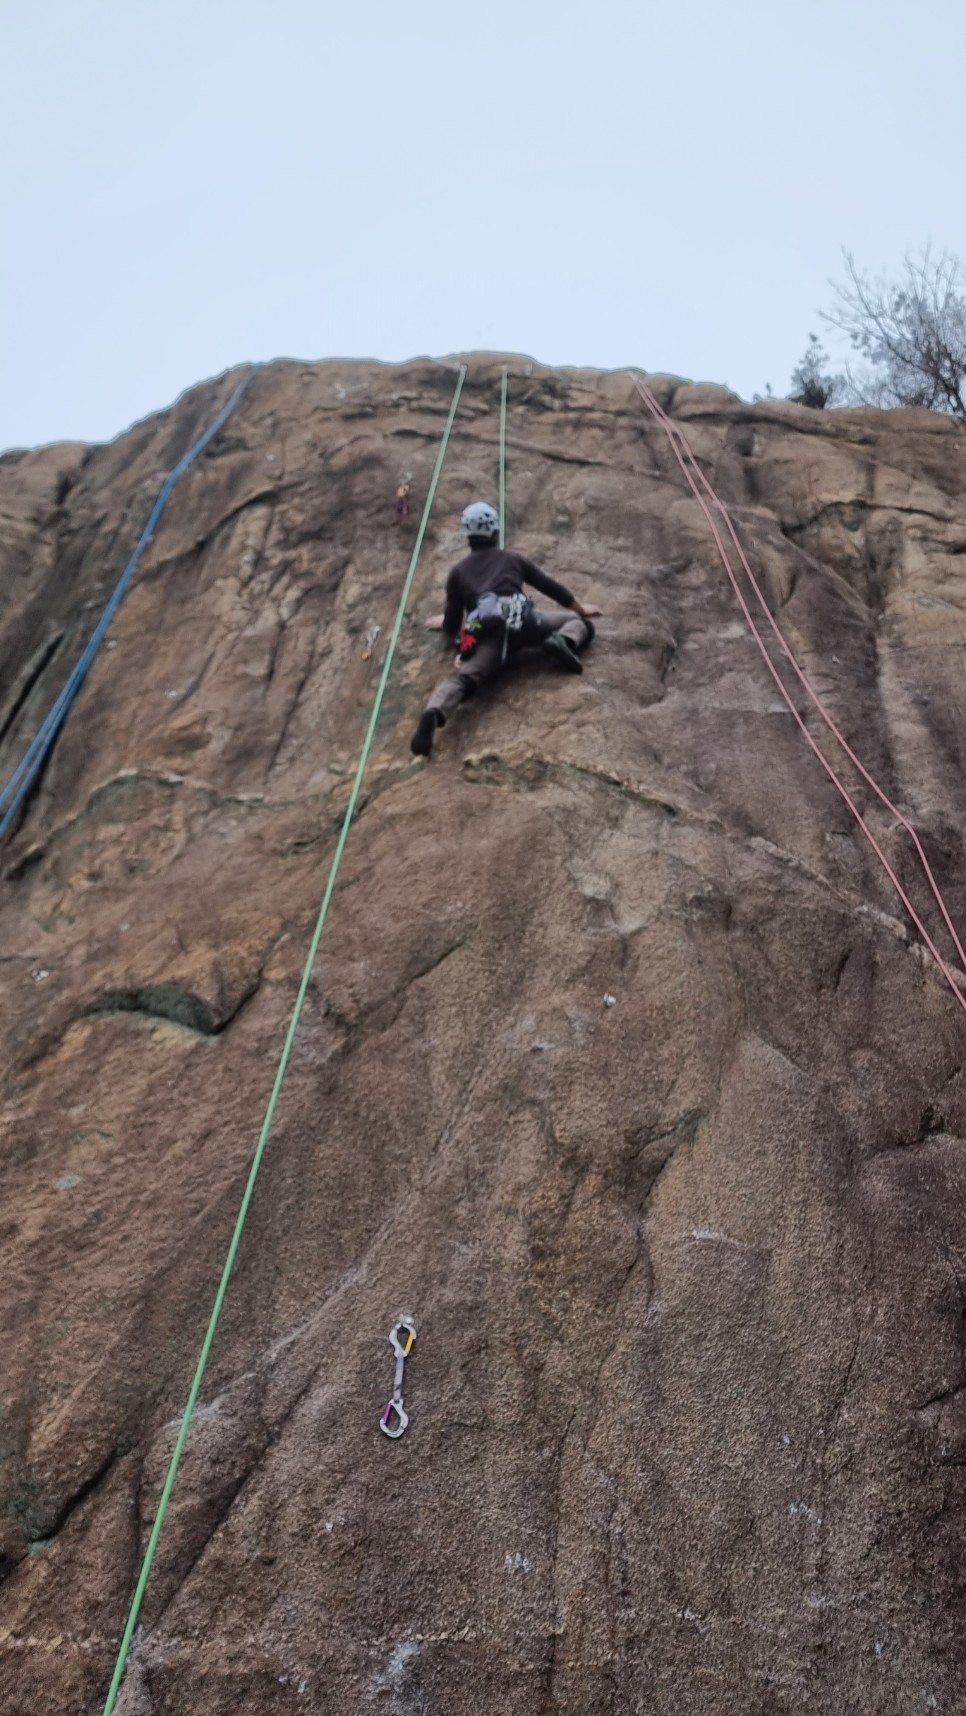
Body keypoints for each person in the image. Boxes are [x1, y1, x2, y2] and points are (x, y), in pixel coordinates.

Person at [410, 501, 601, 757]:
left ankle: (434, 712)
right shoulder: (512, 558)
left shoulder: (458, 572)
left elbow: (454, 622)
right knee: (578, 624)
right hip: (526, 621)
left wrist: (445, 625)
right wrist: (579, 608)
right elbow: (548, 586)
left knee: (465, 679)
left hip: (490, 636)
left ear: (467, 536)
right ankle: (564, 642)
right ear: (495, 532)